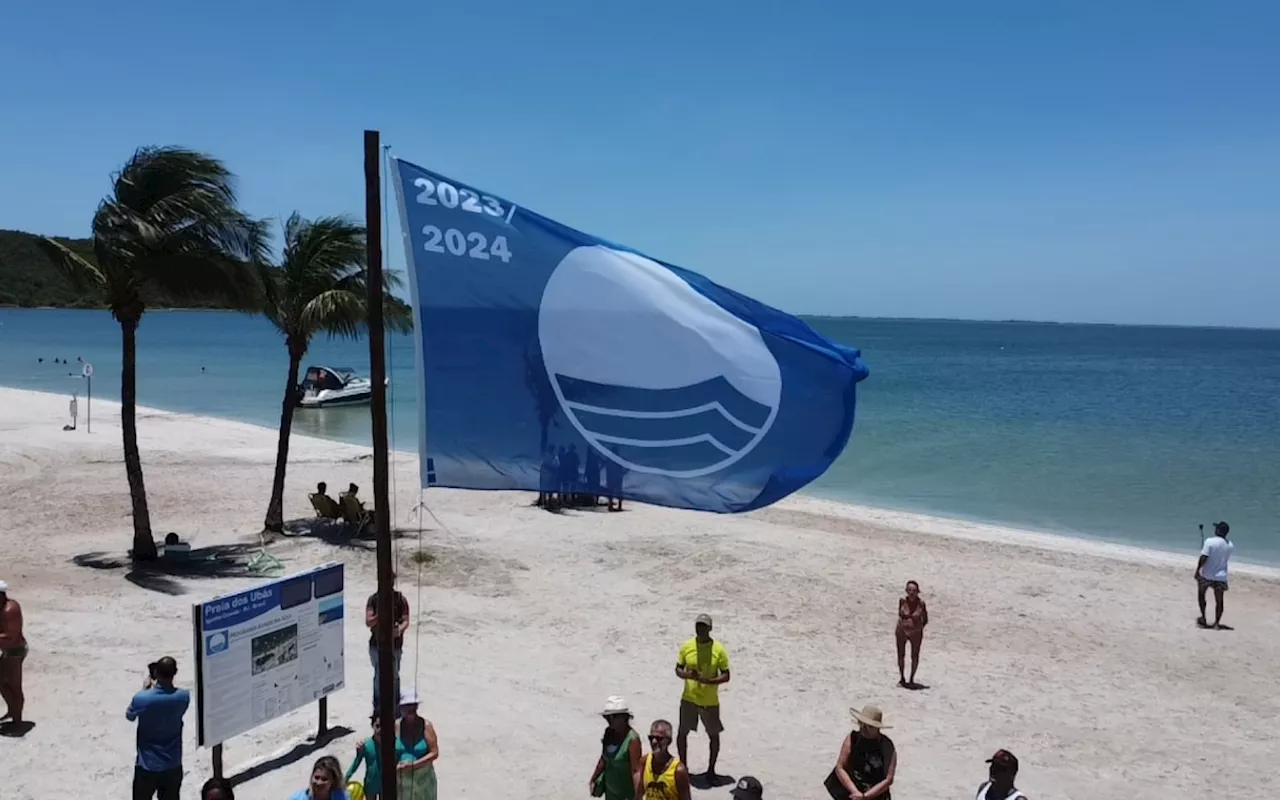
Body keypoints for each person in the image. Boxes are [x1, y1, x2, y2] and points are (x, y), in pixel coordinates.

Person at [126, 656, 191, 800]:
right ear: (175, 672)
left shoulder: (142, 698)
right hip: (173, 764)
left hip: (147, 765)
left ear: (156, 673)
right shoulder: (183, 697)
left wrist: (145, 690)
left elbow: (129, 716)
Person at [675, 613, 730, 780]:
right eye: (698, 626)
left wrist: (710, 681)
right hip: (689, 698)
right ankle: (683, 767)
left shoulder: (719, 650)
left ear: (710, 628)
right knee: (682, 732)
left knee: (713, 735)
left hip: (709, 701)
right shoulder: (687, 646)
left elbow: (726, 675)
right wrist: (687, 675)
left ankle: (711, 770)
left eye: (704, 626)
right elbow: (678, 669)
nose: (700, 629)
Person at [825, 705, 897, 800]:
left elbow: (888, 779)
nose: (864, 729)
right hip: (851, 788)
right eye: (862, 724)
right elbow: (840, 767)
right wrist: (855, 792)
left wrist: (866, 796)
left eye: (870, 727)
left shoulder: (886, 745)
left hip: (875, 793)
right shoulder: (852, 738)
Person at [366, 583, 410, 715]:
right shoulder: (373, 599)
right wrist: (380, 615)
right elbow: (368, 621)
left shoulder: (400, 599)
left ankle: (396, 707)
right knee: (379, 675)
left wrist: (399, 630)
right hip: (377, 644)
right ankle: (377, 706)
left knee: (395, 675)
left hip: (395, 645)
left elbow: (406, 620)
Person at [590, 696, 643, 800]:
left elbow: (636, 770)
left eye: (613, 716)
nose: (609, 720)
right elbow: (604, 758)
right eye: (607, 717)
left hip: (626, 795)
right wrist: (593, 778)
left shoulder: (632, 740)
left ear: (624, 717)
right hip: (610, 794)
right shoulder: (608, 733)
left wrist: (638, 796)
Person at [395, 689, 439, 800]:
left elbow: (434, 752)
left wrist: (414, 765)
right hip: (402, 781)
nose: (411, 710)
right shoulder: (395, 726)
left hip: (423, 779)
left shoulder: (426, 726)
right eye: (407, 706)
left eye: (413, 706)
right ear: (401, 708)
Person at [636, 719, 690, 800]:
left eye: (659, 738)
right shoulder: (644, 762)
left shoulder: (678, 771)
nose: (654, 741)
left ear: (669, 741)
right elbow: (639, 793)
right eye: (651, 738)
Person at [1197, 521, 1234, 629]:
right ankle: (1217, 623)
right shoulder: (1230, 545)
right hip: (1221, 576)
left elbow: (1204, 557)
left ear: (1218, 530)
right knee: (1219, 600)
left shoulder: (1209, 541)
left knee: (1201, 595)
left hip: (1207, 575)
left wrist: (1198, 570)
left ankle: (1203, 617)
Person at [0, 580, 27, 725]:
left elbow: (11, 635)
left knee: (14, 685)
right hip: (8, 650)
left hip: (15, 650)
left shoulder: (10, 610)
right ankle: (13, 711)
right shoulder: (1, 607)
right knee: (2, 682)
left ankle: (17, 719)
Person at [894, 580, 929, 687]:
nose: (911, 593)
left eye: (914, 590)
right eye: (909, 590)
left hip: (916, 634)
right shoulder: (902, 601)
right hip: (901, 631)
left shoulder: (921, 604)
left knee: (914, 656)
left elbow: (925, 619)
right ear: (906, 591)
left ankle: (912, 679)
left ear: (918, 591)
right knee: (901, 655)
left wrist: (917, 629)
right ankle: (902, 678)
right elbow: (899, 614)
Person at [346, 713, 384, 800]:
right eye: (377, 726)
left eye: (383, 726)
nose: (380, 729)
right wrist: (345, 779)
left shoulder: (391, 743)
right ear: (372, 726)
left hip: (385, 784)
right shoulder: (366, 745)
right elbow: (356, 763)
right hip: (370, 784)